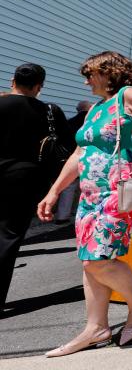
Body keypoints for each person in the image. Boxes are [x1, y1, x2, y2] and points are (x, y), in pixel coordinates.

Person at [37, 51, 132, 356]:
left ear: (109, 72)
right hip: (89, 196)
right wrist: (54, 191)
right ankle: (96, 327)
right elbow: (78, 155)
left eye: (91, 74)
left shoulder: (129, 95)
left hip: (118, 192)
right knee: (89, 261)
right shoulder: (96, 109)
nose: (87, 80)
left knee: (98, 260)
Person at [0, 64, 69, 314]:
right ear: (39, 87)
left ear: (12, 80)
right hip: (25, 180)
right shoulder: (50, 111)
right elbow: (67, 145)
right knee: (8, 237)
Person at [55, 100, 94, 223]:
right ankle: (83, 214)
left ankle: (62, 216)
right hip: (89, 158)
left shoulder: (69, 122)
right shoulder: (91, 122)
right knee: (88, 186)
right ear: (89, 109)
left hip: (69, 157)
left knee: (69, 187)